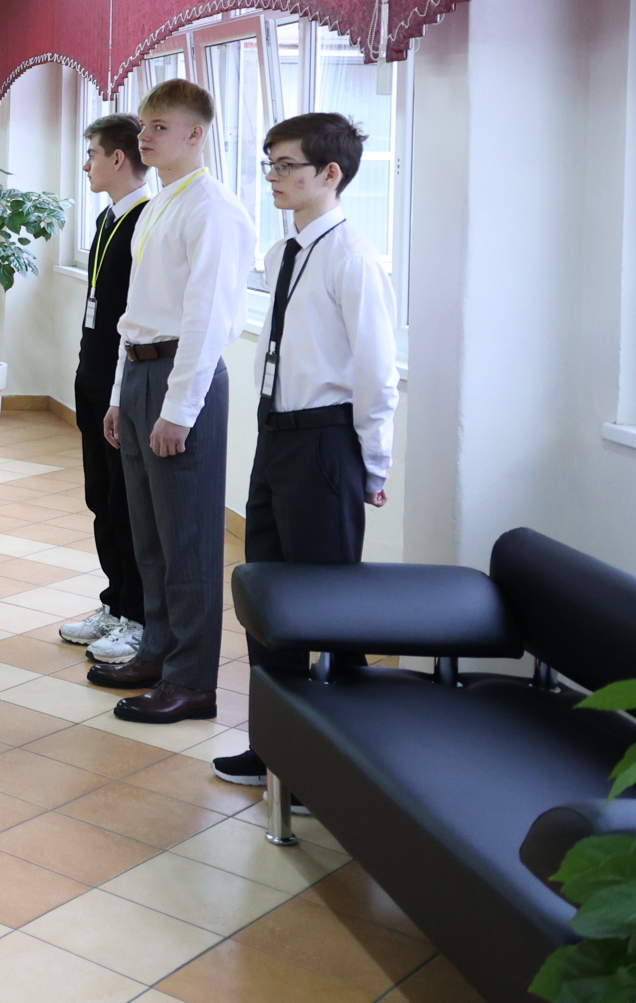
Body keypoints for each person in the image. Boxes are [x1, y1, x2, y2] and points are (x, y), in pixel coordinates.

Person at [214, 111, 399, 786]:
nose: (274, 177)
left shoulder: (353, 257)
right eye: (270, 164)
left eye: (287, 165)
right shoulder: (282, 252)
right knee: (268, 596)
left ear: (330, 173)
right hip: (277, 436)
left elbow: (376, 373)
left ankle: (341, 766)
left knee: (329, 606)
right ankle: (273, 748)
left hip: (325, 443)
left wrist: (373, 464)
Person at [94, 77, 253, 723]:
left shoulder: (212, 208)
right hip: (140, 372)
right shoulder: (161, 202)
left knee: (188, 540)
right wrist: (118, 395)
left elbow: (207, 319)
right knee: (150, 536)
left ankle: (192, 681)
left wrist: (178, 410)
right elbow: (137, 312)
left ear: (195, 133)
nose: (146, 137)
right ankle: (157, 651)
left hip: (181, 378)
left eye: (160, 127)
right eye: (143, 126)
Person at [58, 113, 151, 664]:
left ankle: (138, 615)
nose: (85, 164)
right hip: (92, 373)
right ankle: (115, 603)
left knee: (124, 502)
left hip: (121, 381)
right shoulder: (107, 217)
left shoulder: (145, 221)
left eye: (92, 153)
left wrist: (116, 392)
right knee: (100, 497)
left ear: (118, 158)